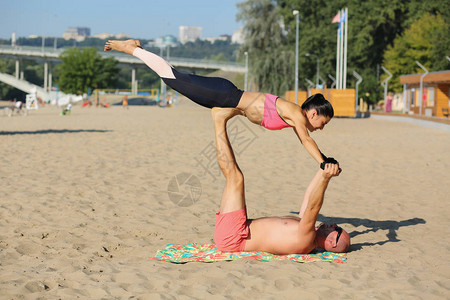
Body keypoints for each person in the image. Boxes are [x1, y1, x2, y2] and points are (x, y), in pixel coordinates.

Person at [104, 39, 339, 169]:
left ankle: (137, 48)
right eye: (322, 122)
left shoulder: (294, 117)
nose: (321, 127)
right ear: (314, 112)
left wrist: (324, 159)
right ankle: (131, 48)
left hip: (225, 99)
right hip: (224, 94)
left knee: (173, 78)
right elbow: (307, 140)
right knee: (171, 77)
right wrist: (323, 162)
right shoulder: (296, 114)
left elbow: (304, 139)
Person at [211, 107, 350, 254]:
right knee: (234, 178)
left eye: (338, 229)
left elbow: (313, 207)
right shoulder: (305, 228)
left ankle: (219, 120)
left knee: (235, 178)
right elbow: (309, 196)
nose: (335, 224)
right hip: (238, 229)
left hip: (235, 237)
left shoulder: (307, 239)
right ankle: (219, 119)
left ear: (332, 242)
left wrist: (326, 179)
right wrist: (323, 168)